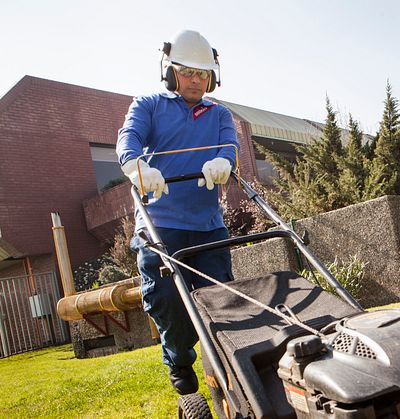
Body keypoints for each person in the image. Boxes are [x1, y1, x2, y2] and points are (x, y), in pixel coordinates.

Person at [116, 30, 239, 395]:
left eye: (202, 73)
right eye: (187, 71)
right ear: (170, 72)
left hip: (207, 228)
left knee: (222, 304)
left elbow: (229, 147)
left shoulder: (220, 114)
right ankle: (179, 358)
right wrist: (137, 168)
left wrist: (223, 161)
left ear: (212, 76)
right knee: (168, 303)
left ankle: (231, 370)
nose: (195, 80)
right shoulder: (149, 105)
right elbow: (129, 140)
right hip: (161, 227)